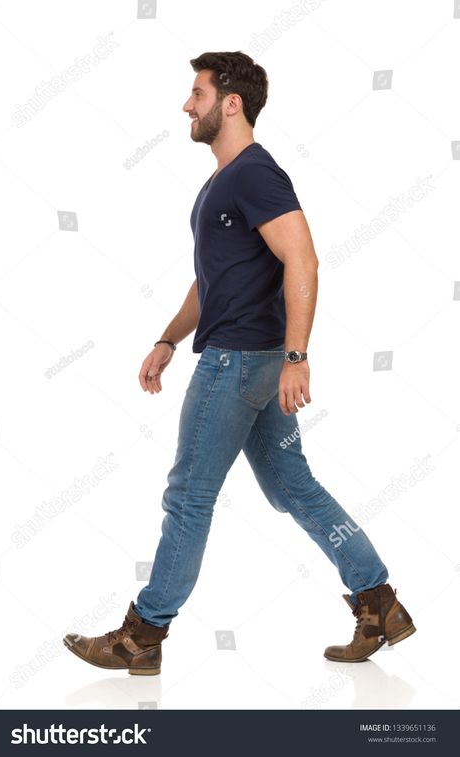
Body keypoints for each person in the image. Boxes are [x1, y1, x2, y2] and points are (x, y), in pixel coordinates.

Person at [63, 51, 415, 676]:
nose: (186, 105)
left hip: (240, 362)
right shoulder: (221, 184)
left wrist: (298, 357)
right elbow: (211, 281)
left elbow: (302, 260)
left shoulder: (255, 174)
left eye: (196, 93)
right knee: (291, 489)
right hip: (247, 357)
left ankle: (143, 633)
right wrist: (168, 339)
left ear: (231, 103)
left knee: (189, 496)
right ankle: (377, 600)